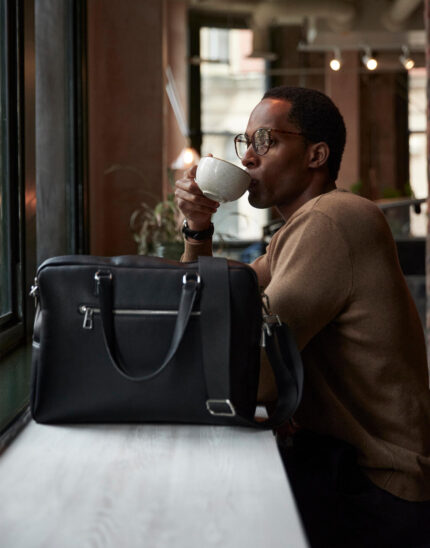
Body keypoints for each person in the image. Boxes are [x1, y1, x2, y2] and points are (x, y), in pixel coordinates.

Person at [175, 86, 430, 547]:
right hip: (345, 469)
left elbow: (253, 376)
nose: (248, 157)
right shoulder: (297, 231)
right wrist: (198, 228)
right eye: (246, 141)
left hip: (378, 487)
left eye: (266, 140)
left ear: (316, 155)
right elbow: (210, 300)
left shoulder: (332, 219)